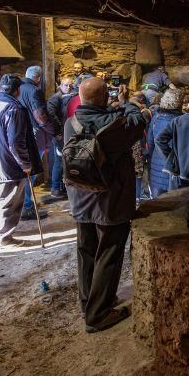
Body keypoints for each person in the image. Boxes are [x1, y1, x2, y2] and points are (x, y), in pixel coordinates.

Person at [64, 78, 148, 332]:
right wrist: (127, 102)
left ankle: (88, 302)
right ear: (103, 98)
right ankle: (98, 314)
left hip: (80, 198)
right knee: (109, 253)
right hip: (110, 200)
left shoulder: (71, 123)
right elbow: (138, 122)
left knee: (86, 251)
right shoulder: (112, 124)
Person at [0, 74, 42, 247]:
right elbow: (16, 143)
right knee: (9, 202)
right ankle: (4, 238)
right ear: (17, 90)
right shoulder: (14, 110)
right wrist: (25, 164)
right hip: (8, 165)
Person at [17, 66, 54, 220]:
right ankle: (27, 206)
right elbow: (40, 116)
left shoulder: (17, 88)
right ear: (39, 78)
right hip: (33, 136)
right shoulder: (34, 91)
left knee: (24, 172)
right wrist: (53, 130)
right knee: (30, 174)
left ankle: (23, 203)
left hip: (19, 134)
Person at [144, 89, 183, 198]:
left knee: (157, 202)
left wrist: (152, 159)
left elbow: (150, 142)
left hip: (156, 163)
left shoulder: (156, 117)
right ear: (179, 102)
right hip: (174, 167)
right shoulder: (180, 120)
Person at [45, 76, 75, 202]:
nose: (68, 87)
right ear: (60, 86)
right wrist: (57, 132)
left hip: (64, 134)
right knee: (58, 161)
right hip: (59, 135)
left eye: (69, 85)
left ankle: (60, 187)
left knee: (63, 161)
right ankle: (55, 188)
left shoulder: (67, 97)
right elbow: (50, 115)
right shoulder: (55, 98)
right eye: (65, 85)